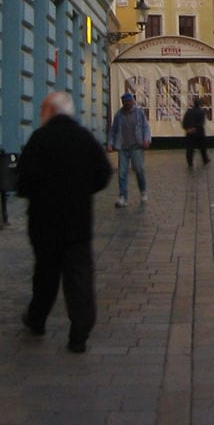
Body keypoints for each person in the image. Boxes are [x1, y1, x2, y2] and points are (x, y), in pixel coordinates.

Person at [17, 91, 111, 353]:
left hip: (44, 222)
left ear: (49, 112)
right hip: (77, 222)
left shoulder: (39, 139)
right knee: (79, 277)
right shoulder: (84, 138)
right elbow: (104, 173)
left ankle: (37, 320)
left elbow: (22, 181)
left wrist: (38, 194)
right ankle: (79, 335)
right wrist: (83, 190)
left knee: (45, 275)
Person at [107, 91, 151, 207]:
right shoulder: (118, 115)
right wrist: (110, 143)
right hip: (123, 148)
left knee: (139, 170)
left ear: (133, 101)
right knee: (122, 173)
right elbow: (113, 130)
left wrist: (146, 139)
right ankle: (123, 197)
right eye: (125, 101)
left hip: (136, 146)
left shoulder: (139, 113)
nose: (127, 103)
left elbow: (146, 128)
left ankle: (143, 191)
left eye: (129, 101)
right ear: (122, 102)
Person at [182, 95, 211, 167]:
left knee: (190, 149)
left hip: (190, 133)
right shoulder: (201, 112)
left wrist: (188, 129)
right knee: (202, 147)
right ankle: (205, 159)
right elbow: (201, 123)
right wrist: (196, 128)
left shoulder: (188, 112)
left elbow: (184, 122)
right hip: (199, 132)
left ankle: (190, 162)